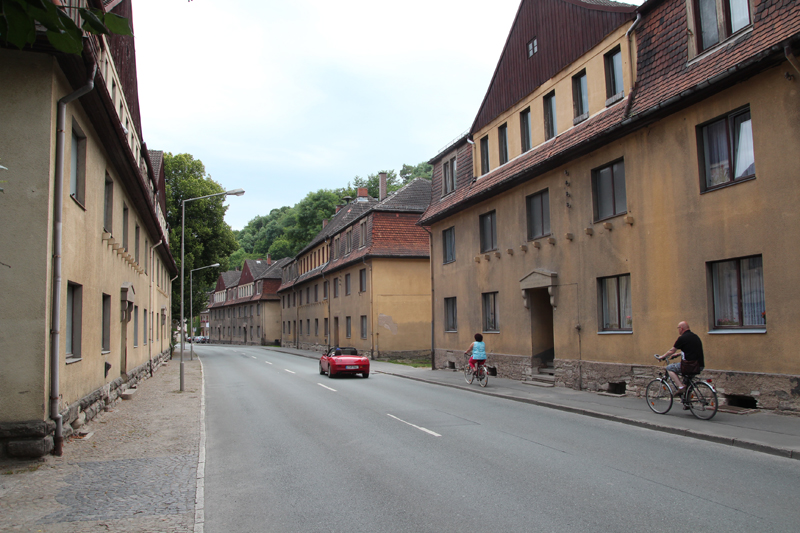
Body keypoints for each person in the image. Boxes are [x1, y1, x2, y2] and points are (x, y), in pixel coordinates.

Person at [657, 321, 705, 393]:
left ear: (681, 328)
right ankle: (687, 398)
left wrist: (662, 357)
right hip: (699, 365)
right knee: (687, 383)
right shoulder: (695, 337)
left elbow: (672, 350)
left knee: (669, 368)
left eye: (678, 328)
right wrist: (678, 354)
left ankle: (681, 387)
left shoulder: (682, 338)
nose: (678, 330)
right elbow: (691, 350)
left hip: (690, 366)